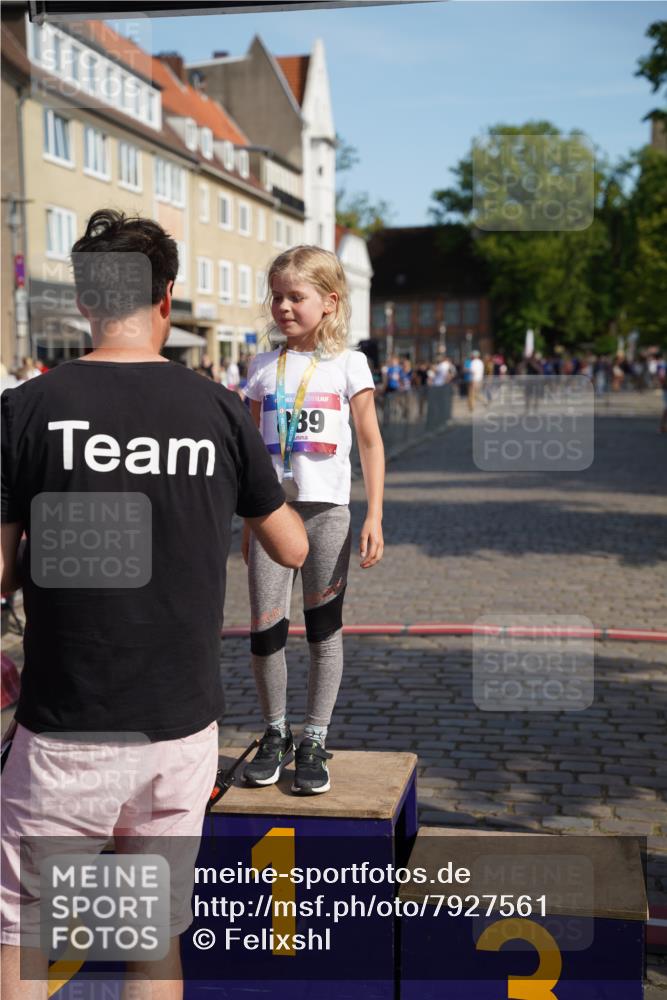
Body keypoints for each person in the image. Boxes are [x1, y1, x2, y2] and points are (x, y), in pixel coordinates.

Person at [0, 209, 308, 1000]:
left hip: (68, 724)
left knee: (26, 940)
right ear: (166, 299)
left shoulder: (27, 410)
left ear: (84, 304)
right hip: (178, 727)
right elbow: (293, 549)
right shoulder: (216, 409)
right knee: (148, 941)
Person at [241, 245, 385, 795]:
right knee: (264, 629)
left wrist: (374, 514)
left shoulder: (349, 364)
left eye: (295, 297)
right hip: (271, 515)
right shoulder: (261, 366)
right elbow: (252, 448)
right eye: (276, 296)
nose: (282, 307)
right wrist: (246, 519)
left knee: (323, 630)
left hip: (328, 512)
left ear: (329, 302)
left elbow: (370, 443)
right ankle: (274, 731)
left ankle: (314, 737)